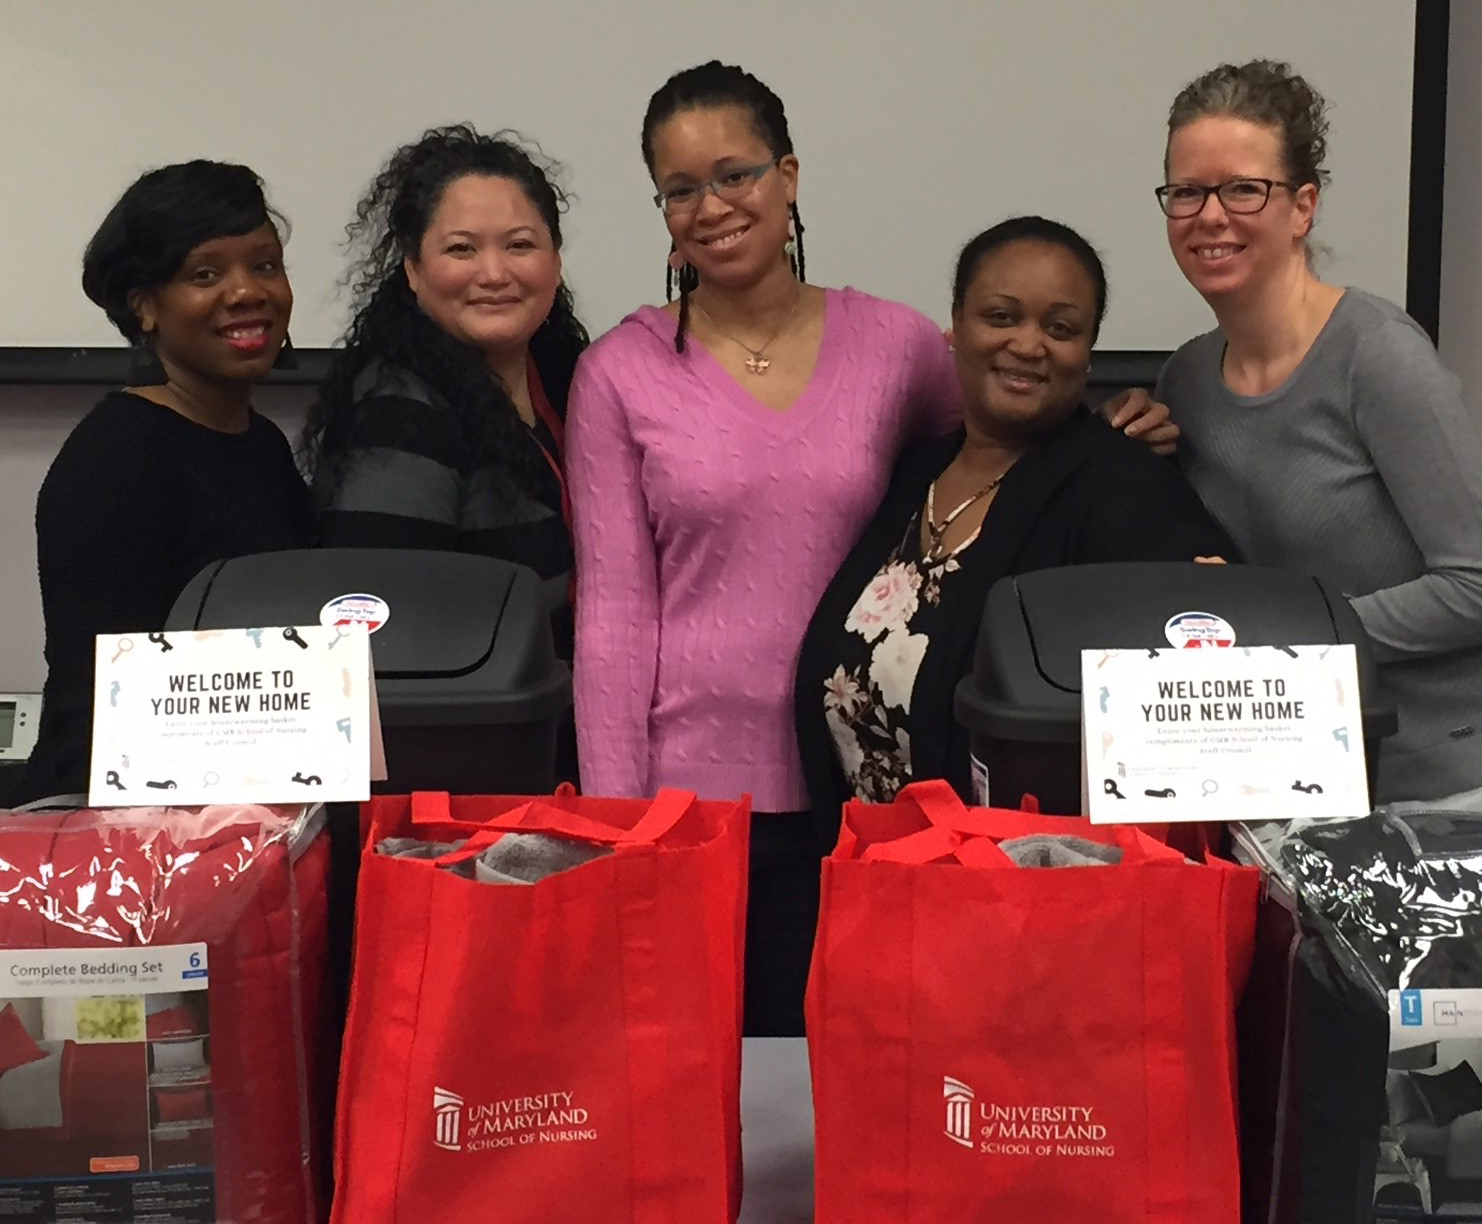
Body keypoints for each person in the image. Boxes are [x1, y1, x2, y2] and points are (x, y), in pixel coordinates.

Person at [566, 62, 1175, 1036]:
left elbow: (999, 449)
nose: (712, 206)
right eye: (680, 188)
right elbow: (613, 616)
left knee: (857, 1085)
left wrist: (1109, 431)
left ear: (791, 175)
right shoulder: (619, 372)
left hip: (871, 796)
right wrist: (619, 827)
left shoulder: (896, 348)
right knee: (708, 1094)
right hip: (691, 809)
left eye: (736, 174)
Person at [1153, 59, 1482, 811]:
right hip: (1348, 779)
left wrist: (1284, 628)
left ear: (1303, 207)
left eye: (1243, 189)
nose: (1210, 215)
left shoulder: (1377, 354)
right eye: (1187, 191)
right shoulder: (1188, 383)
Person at [795, 217, 1236, 839]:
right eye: (1002, 317)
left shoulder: (1122, 489)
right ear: (956, 323)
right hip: (876, 897)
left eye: (1060, 328)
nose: (1029, 345)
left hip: (1023, 909)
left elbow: (1212, 689)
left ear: (1087, 351)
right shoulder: (916, 472)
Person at [15, 161, 311, 805]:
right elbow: (100, 703)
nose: (247, 292)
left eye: (264, 265)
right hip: (128, 835)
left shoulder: (262, 447)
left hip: (234, 816)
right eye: (205, 274)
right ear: (143, 306)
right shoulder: (116, 459)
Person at [302, 125, 589, 666]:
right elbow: (390, 634)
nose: (495, 273)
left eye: (520, 245)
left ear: (555, 260)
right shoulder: (398, 410)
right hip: (474, 737)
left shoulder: (561, 381)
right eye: (462, 249)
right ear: (412, 268)